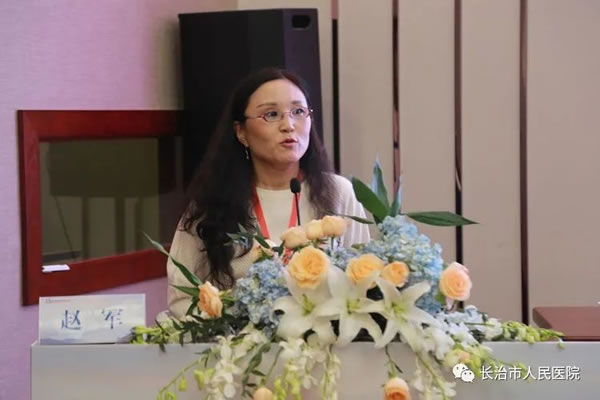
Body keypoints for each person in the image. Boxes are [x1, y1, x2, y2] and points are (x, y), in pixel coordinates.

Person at [167, 67, 370, 318]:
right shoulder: (211, 201)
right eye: (271, 115)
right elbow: (182, 298)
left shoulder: (339, 193)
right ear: (241, 132)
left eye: (298, 112)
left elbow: (363, 284)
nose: (288, 125)